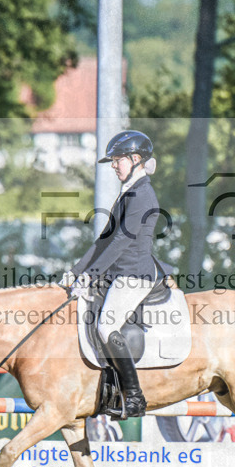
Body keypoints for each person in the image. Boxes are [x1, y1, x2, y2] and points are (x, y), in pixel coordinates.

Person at [62, 130, 167, 419]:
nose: (113, 165)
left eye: (117, 160)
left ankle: (134, 397)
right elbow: (104, 239)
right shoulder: (129, 193)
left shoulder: (143, 194)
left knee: (106, 328)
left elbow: (122, 241)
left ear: (135, 159)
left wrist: (91, 276)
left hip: (134, 275)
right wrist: (75, 271)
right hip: (118, 273)